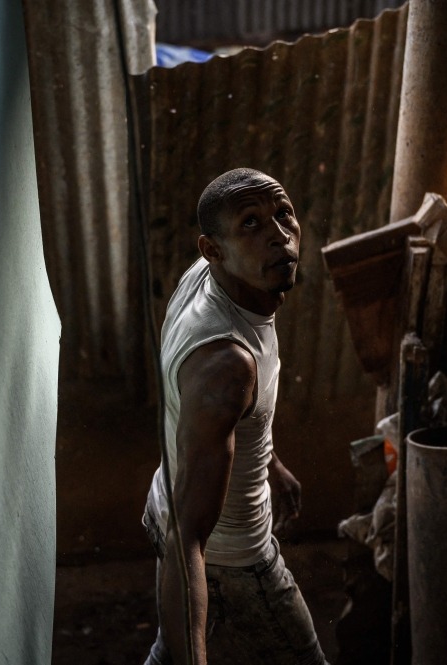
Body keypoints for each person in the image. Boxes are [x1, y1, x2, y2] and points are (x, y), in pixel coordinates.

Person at [142, 168, 327, 664]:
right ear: (213, 249)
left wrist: (269, 462)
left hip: (170, 503)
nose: (278, 234)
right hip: (231, 556)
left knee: (167, 649)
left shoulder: (214, 280)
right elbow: (187, 539)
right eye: (251, 223)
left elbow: (237, 415)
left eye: (283, 214)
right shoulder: (226, 365)